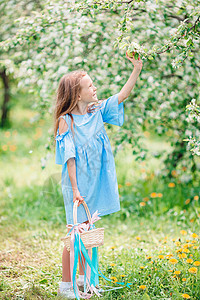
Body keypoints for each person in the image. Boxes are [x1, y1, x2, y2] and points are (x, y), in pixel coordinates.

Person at [54, 51, 143, 299]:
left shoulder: (97, 111)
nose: (95, 88)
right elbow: (69, 158)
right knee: (75, 234)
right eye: (89, 86)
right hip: (78, 184)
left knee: (88, 232)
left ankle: (86, 281)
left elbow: (122, 95)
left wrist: (136, 68)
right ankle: (66, 287)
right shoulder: (66, 121)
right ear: (77, 94)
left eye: (93, 84)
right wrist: (75, 190)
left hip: (95, 180)